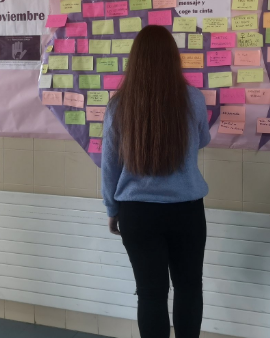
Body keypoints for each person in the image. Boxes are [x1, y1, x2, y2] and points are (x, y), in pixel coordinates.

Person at [101, 24, 211, 338]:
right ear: (173, 59)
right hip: (186, 211)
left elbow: (109, 165)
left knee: (150, 294)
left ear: (135, 61)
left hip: (137, 213)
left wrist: (112, 209)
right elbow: (202, 140)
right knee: (189, 287)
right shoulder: (193, 99)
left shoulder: (119, 105)